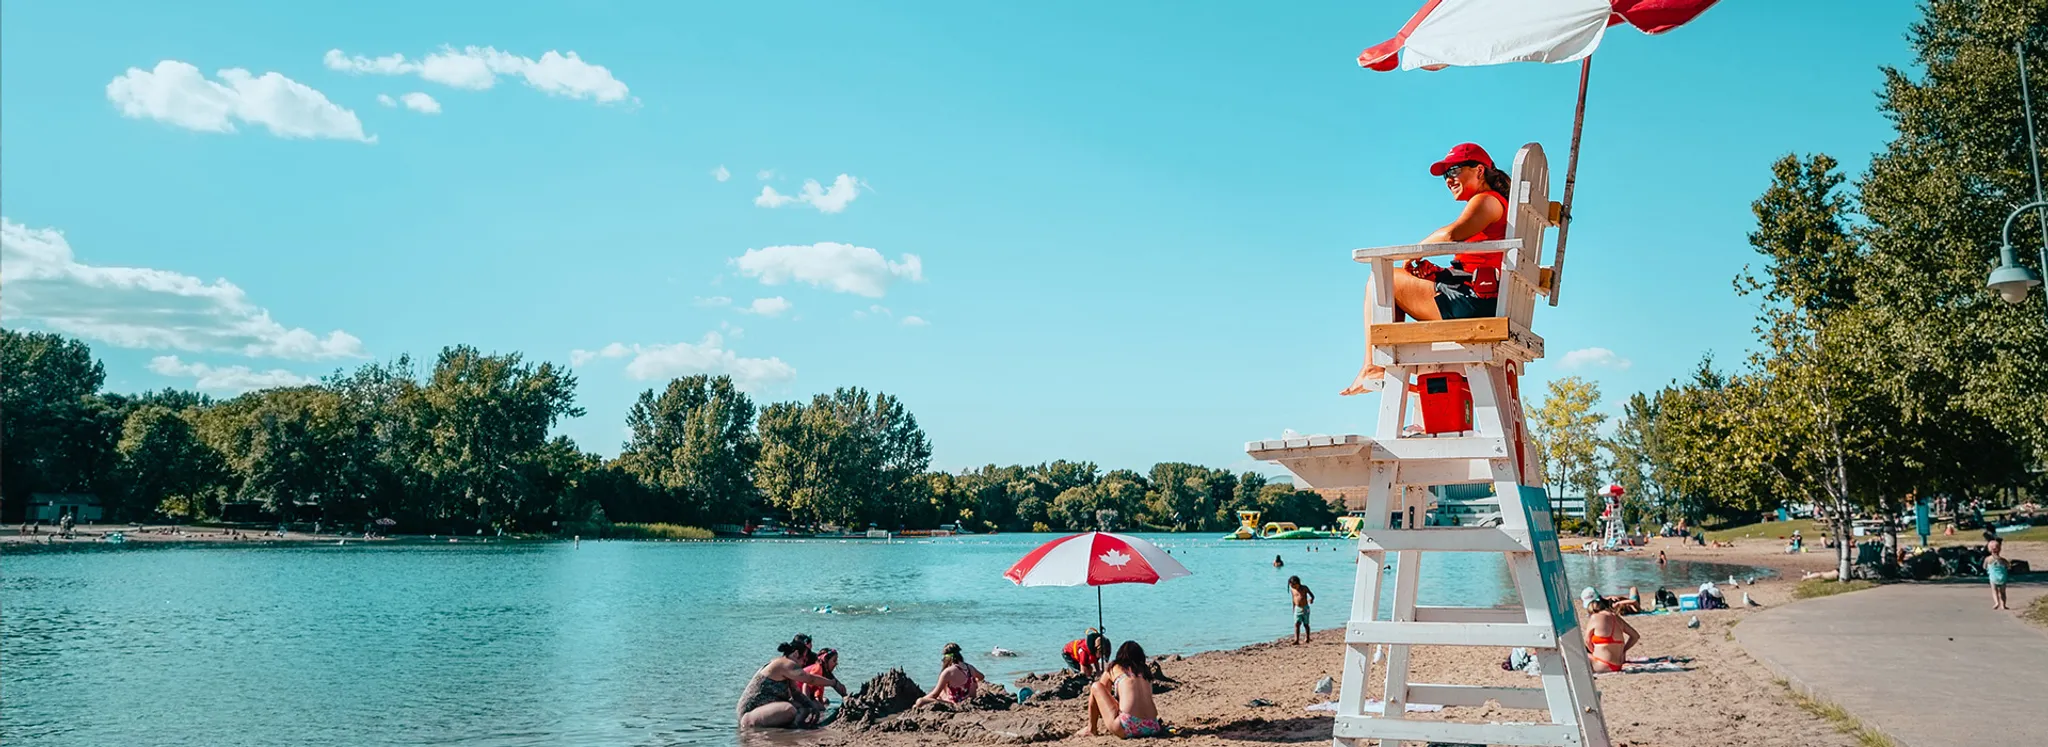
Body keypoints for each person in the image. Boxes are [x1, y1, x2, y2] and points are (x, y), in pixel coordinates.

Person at [1343, 142, 1514, 395]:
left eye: (1454, 171)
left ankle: (1373, 366)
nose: (1448, 179)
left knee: (1383, 278)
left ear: (1479, 171)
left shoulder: (1487, 201)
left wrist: (1417, 249)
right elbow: (1476, 260)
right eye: (1446, 175)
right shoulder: (1491, 203)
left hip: (1476, 305)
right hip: (1478, 297)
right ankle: (1406, 380)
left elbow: (1453, 234)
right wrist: (1436, 273)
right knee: (1396, 281)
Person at [737, 635, 845, 729]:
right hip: (749, 715)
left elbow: (796, 693)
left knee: (803, 706)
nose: (804, 662)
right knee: (789, 710)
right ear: (796, 653)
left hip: (765, 709)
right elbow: (810, 679)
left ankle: (795, 729)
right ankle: (791, 729)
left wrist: (811, 707)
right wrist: (832, 683)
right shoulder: (784, 664)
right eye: (804, 659)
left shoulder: (787, 668)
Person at [1084, 640, 1164, 738]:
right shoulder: (1145, 671)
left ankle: (1091, 729)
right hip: (1153, 726)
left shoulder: (1114, 667)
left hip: (1128, 726)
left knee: (1096, 686)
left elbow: (1103, 691)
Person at [1583, 598, 1639, 673]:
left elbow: (1587, 641)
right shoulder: (1617, 618)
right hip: (1618, 665)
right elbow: (1635, 636)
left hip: (1601, 664)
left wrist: (1593, 651)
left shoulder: (1595, 617)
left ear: (1592, 611)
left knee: (1574, 654)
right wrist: (1624, 649)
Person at [1288, 576, 1316, 644]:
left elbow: (1312, 595)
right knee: (1297, 624)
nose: (1293, 587)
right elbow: (1293, 599)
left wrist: (1311, 599)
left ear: (1298, 583)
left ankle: (1307, 638)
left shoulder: (1304, 588)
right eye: (1291, 586)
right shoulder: (1292, 590)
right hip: (1297, 608)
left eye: (1294, 585)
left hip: (1305, 608)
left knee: (1306, 624)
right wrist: (1293, 609)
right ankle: (1296, 639)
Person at [1987, 535, 2010, 611]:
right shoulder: (2003, 560)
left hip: (1993, 578)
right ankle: (2003, 605)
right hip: (2002, 577)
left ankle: (1997, 603)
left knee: (1994, 591)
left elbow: (1984, 566)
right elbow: (2008, 566)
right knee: (2003, 592)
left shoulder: (1988, 559)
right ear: (1999, 549)